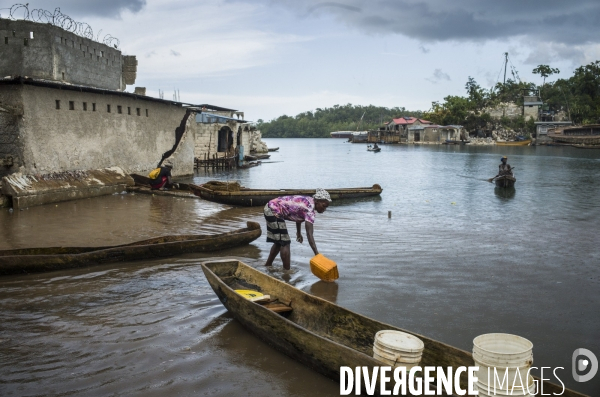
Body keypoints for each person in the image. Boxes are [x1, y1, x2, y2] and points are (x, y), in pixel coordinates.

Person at [264, 188, 331, 270]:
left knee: (279, 241)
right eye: (323, 206)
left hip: (270, 207)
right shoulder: (309, 210)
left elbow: (298, 214)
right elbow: (309, 234)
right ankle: (287, 272)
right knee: (285, 242)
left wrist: (298, 233)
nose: (324, 209)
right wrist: (317, 254)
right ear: (317, 201)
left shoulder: (309, 201)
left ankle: (268, 265)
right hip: (273, 210)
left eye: (326, 207)